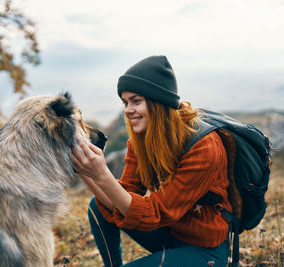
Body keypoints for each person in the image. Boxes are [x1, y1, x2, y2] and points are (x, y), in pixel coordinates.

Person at [71, 55, 232, 267]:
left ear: (159, 101)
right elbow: (121, 198)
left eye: (136, 101)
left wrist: (102, 174)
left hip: (205, 250)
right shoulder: (142, 139)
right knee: (99, 206)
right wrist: (83, 170)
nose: (128, 110)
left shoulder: (204, 147)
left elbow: (153, 213)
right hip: (171, 233)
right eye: (125, 102)